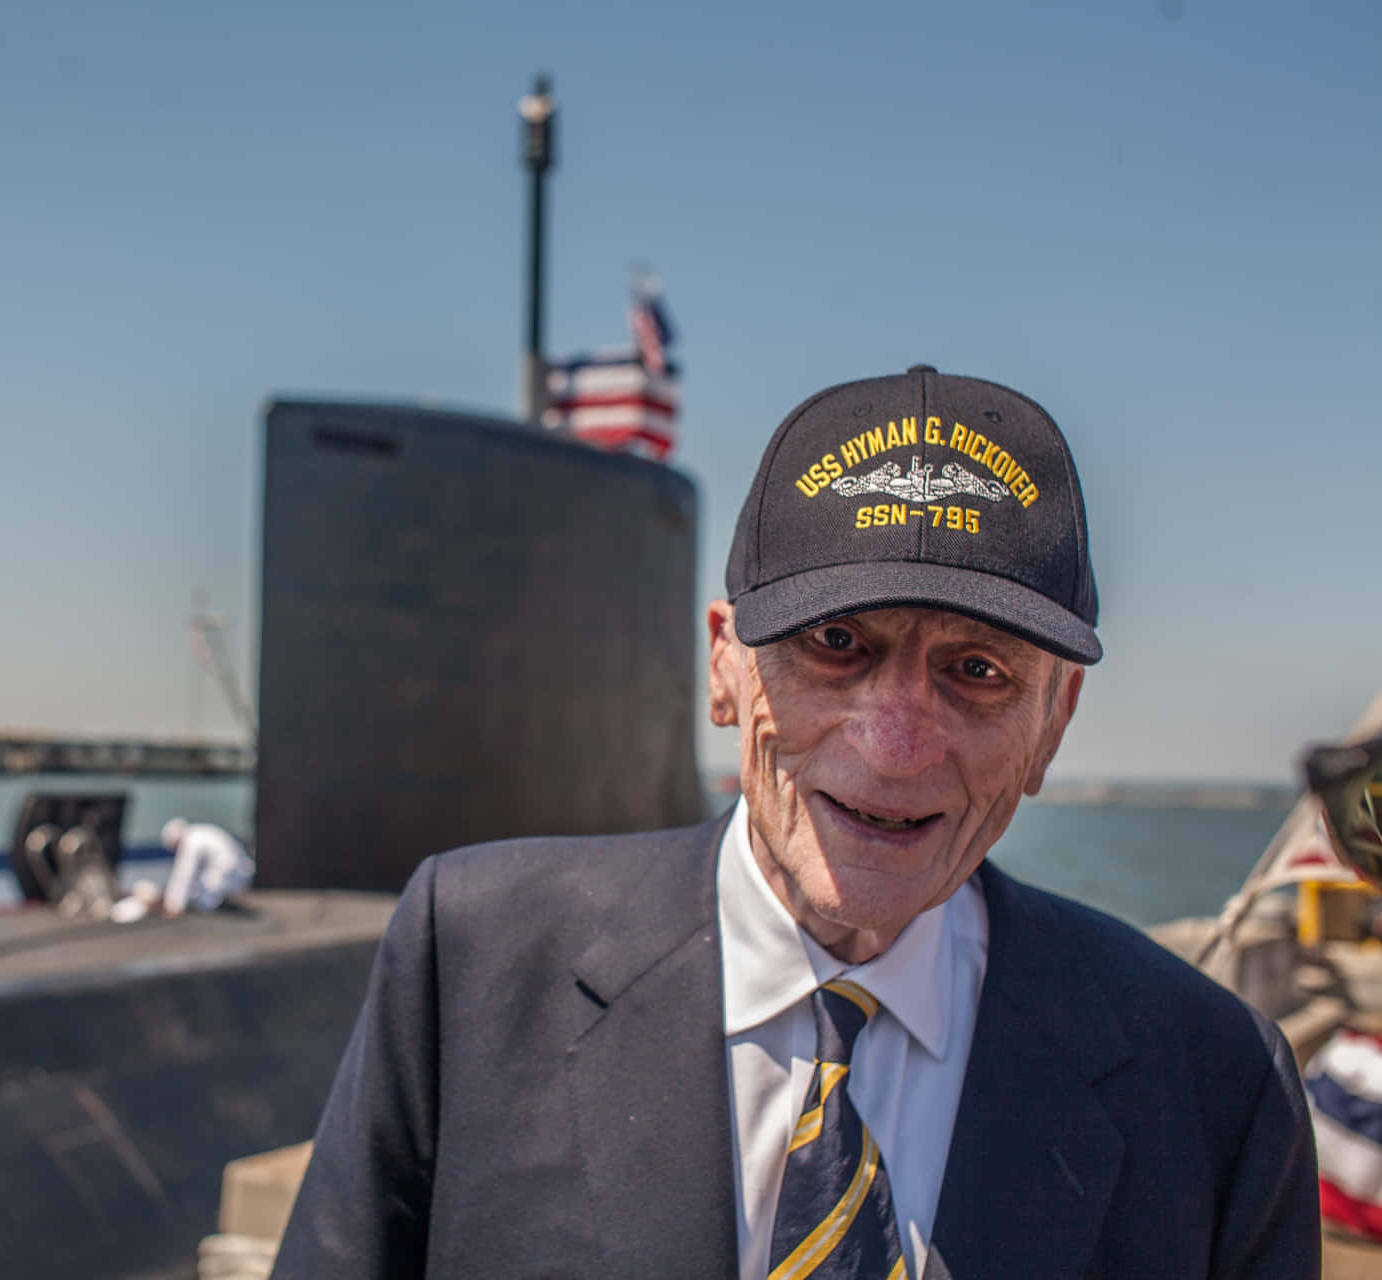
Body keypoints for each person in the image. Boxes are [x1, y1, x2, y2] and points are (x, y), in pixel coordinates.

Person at [274, 367, 1318, 1277]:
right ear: (725, 665)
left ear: (1054, 721)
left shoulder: (1215, 1084)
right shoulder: (472, 963)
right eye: (836, 643)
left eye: (976, 670)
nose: (894, 744)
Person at [158, 817, 254, 916]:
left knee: (205, 904)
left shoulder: (191, 841)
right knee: (203, 891)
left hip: (225, 869)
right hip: (238, 869)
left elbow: (184, 874)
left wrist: (174, 904)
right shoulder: (198, 832)